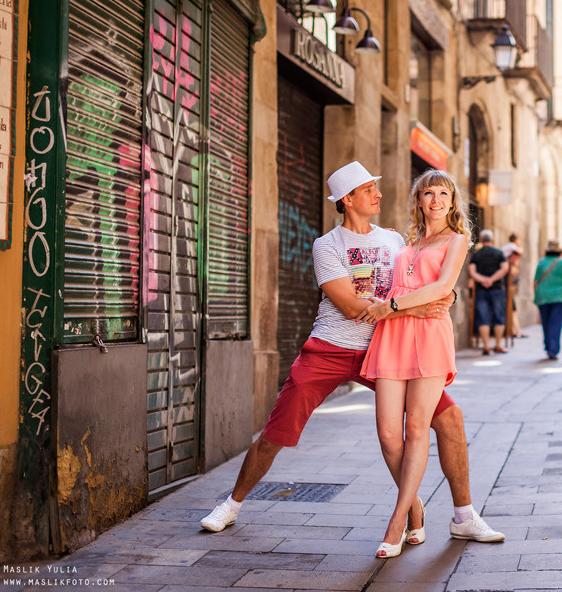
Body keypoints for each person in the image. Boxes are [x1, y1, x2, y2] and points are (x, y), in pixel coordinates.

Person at [199, 162, 503, 549]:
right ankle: (231, 504)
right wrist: (413, 307)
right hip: (330, 347)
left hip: (385, 348)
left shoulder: (394, 240)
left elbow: (427, 284)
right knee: (278, 430)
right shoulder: (327, 245)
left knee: (450, 419)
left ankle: (464, 516)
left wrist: (447, 297)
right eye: (369, 189)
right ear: (348, 199)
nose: (378, 194)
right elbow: (349, 305)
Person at [356, 169, 488, 558]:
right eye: (428, 193)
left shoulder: (458, 240)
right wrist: (391, 307)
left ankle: (397, 523)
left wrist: (390, 307)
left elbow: (441, 288)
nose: (435, 200)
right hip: (393, 336)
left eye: (443, 193)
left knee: (417, 427)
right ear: (418, 200)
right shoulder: (406, 240)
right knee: (387, 434)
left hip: (429, 334)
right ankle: (415, 507)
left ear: (452, 201)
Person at [468, 229, 509, 355]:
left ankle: (485, 346)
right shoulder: (499, 253)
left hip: (481, 289)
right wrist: (491, 279)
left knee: (483, 316)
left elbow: (472, 272)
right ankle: (497, 345)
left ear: (481, 240)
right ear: (492, 240)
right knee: (499, 316)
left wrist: (483, 280)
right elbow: (504, 269)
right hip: (496, 288)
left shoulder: (476, 255)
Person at [533, 240, 562, 359]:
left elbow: (535, 282)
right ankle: (553, 350)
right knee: (555, 323)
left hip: (542, 296)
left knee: (545, 322)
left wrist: (535, 295)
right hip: (558, 297)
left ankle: (548, 346)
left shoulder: (541, 262)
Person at [501, 235, 526, 339]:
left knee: (511, 309)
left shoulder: (504, 248)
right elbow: (519, 252)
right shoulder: (513, 248)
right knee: (511, 308)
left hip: (506, 283)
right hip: (507, 285)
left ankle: (514, 330)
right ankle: (515, 331)